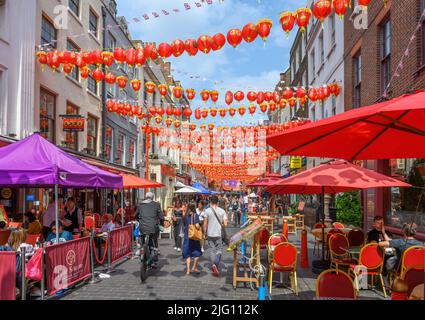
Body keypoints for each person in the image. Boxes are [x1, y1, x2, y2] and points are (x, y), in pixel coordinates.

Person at [135, 192, 164, 268]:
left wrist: (139, 220)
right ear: (152, 197)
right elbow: (161, 217)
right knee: (153, 242)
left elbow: (135, 215)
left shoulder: (140, 205)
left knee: (143, 241)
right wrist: (161, 224)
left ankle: (142, 250)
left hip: (142, 227)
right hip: (152, 227)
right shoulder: (156, 204)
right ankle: (153, 259)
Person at [203, 195, 228, 277]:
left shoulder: (207, 211)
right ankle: (215, 264)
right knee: (219, 250)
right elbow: (225, 224)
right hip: (218, 234)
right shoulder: (222, 211)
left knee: (212, 250)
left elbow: (205, 223)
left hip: (210, 234)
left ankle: (214, 265)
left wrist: (204, 233)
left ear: (210, 202)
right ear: (217, 202)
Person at [182, 202, 202, 275]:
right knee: (196, 252)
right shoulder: (196, 215)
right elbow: (197, 225)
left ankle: (188, 270)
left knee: (188, 253)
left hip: (187, 236)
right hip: (194, 237)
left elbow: (184, 224)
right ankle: (194, 267)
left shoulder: (185, 216)